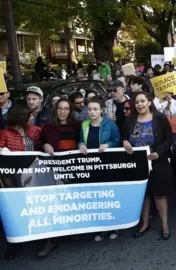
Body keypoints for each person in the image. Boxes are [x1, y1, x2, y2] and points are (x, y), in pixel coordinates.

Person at [123, 92, 174, 240]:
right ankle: (144, 224)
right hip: (138, 162)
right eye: (137, 102)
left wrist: (158, 153)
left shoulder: (160, 118)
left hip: (158, 161)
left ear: (149, 102)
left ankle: (165, 225)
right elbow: (124, 137)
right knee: (143, 194)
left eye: (142, 101)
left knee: (160, 194)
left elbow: (169, 139)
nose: (140, 104)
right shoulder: (130, 120)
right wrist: (125, 142)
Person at [38, 97, 81, 258]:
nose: (63, 111)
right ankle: (51, 238)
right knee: (53, 203)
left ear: (70, 111)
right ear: (55, 110)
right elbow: (41, 142)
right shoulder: (48, 127)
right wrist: (45, 145)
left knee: (72, 200)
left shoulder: (77, 125)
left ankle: (74, 231)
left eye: (66, 108)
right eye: (60, 108)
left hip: (74, 169)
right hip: (54, 170)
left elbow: (83, 141)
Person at [0, 105, 42, 260]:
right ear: (21, 116)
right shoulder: (5, 133)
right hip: (13, 180)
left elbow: (41, 148)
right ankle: (14, 243)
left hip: (33, 175)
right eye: (29, 115)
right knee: (15, 210)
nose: (32, 117)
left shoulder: (35, 130)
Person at [78, 96, 121, 241]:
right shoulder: (84, 125)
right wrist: (81, 145)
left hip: (107, 165)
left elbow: (117, 140)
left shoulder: (110, 125)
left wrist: (108, 145)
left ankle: (114, 226)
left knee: (109, 196)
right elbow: (80, 140)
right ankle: (100, 228)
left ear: (101, 110)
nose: (92, 112)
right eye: (89, 109)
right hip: (91, 166)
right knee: (95, 197)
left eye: (95, 109)